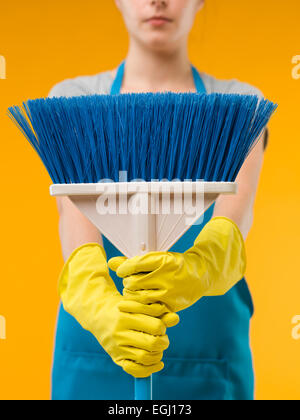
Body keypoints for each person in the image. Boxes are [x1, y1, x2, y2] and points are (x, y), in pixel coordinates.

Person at [49, 0, 268, 400]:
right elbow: (75, 226)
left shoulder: (240, 105)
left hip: (210, 364)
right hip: (95, 357)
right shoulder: (75, 100)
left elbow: (232, 224)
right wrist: (97, 302)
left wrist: (199, 268)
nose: (157, 0)